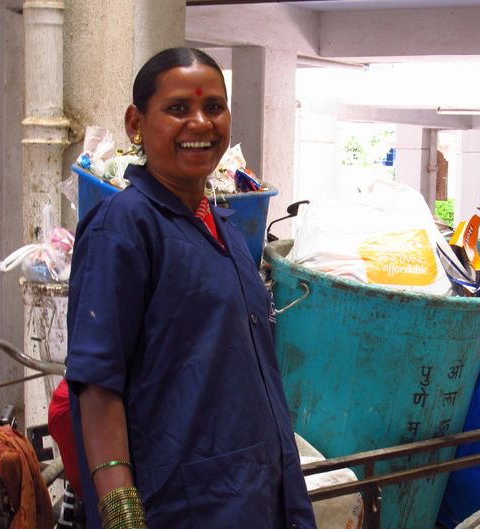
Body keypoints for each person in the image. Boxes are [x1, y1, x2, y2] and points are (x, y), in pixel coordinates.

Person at [65, 47, 318, 529]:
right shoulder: (122, 228)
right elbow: (97, 385)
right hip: (181, 507)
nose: (200, 123)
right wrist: (122, 516)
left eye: (213, 108)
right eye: (178, 108)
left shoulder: (223, 228)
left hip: (257, 496)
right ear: (136, 124)